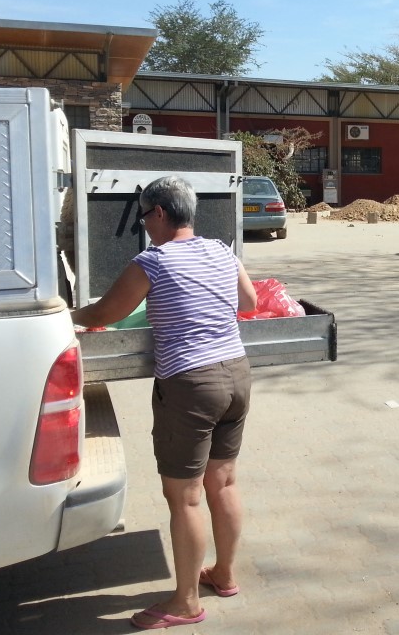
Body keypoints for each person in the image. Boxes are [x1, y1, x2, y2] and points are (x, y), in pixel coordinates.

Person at [72, 176, 257, 630]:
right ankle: (225, 575)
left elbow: (105, 314)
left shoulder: (151, 262)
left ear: (158, 213)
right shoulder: (220, 250)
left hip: (192, 385)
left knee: (186, 498)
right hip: (236, 374)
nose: (144, 223)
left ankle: (186, 602)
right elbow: (248, 302)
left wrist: (67, 316)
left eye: (143, 214)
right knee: (224, 482)